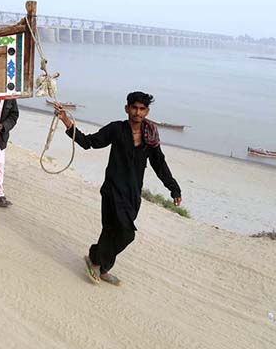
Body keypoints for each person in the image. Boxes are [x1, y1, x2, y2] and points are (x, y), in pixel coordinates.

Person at [54, 91, 182, 286]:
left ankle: (100, 265)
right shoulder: (116, 129)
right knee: (126, 233)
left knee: (112, 231)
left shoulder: (150, 137)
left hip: (133, 193)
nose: (137, 112)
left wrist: (174, 188)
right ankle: (97, 262)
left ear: (146, 111)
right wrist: (66, 121)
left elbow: (160, 165)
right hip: (113, 189)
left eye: (142, 109)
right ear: (127, 108)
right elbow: (90, 143)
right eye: (134, 108)